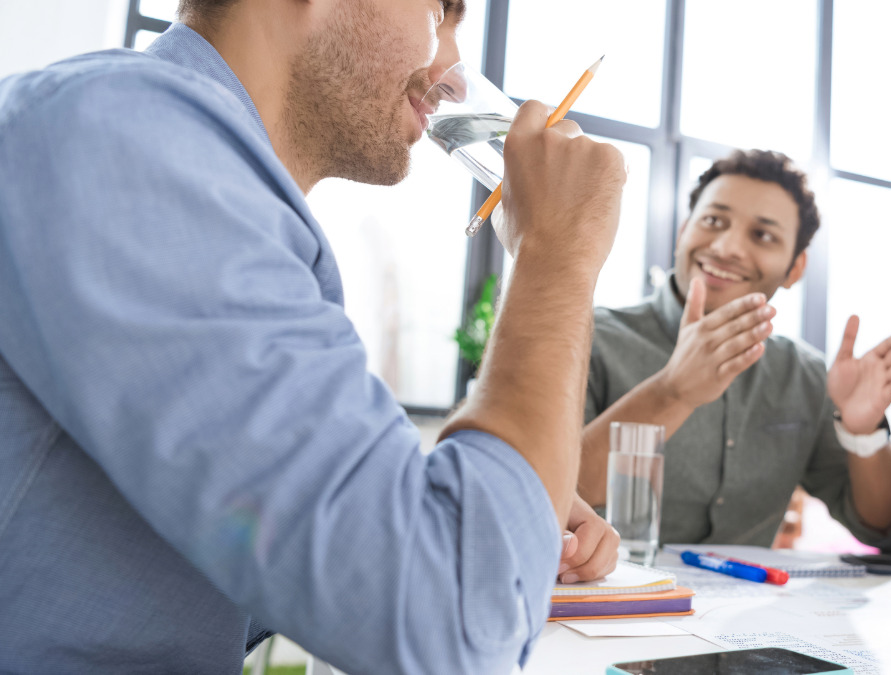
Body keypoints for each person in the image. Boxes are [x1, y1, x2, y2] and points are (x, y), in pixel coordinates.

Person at [0, 0, 624, 672]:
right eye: (439, 12)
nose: (449, 68)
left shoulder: (194, 177)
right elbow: (449, 625)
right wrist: (557, 251)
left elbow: (296, 544)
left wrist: (496, 503)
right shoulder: (127, 140)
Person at [577, 149, 891, 551]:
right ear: (683, 231)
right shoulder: (589, 339)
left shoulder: (806, 376)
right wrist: (672, 391)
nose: (726, 247)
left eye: (763, 235)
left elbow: (890, 530)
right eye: (712, 221)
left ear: (794, 270)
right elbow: (537, 493)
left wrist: (864, 433)